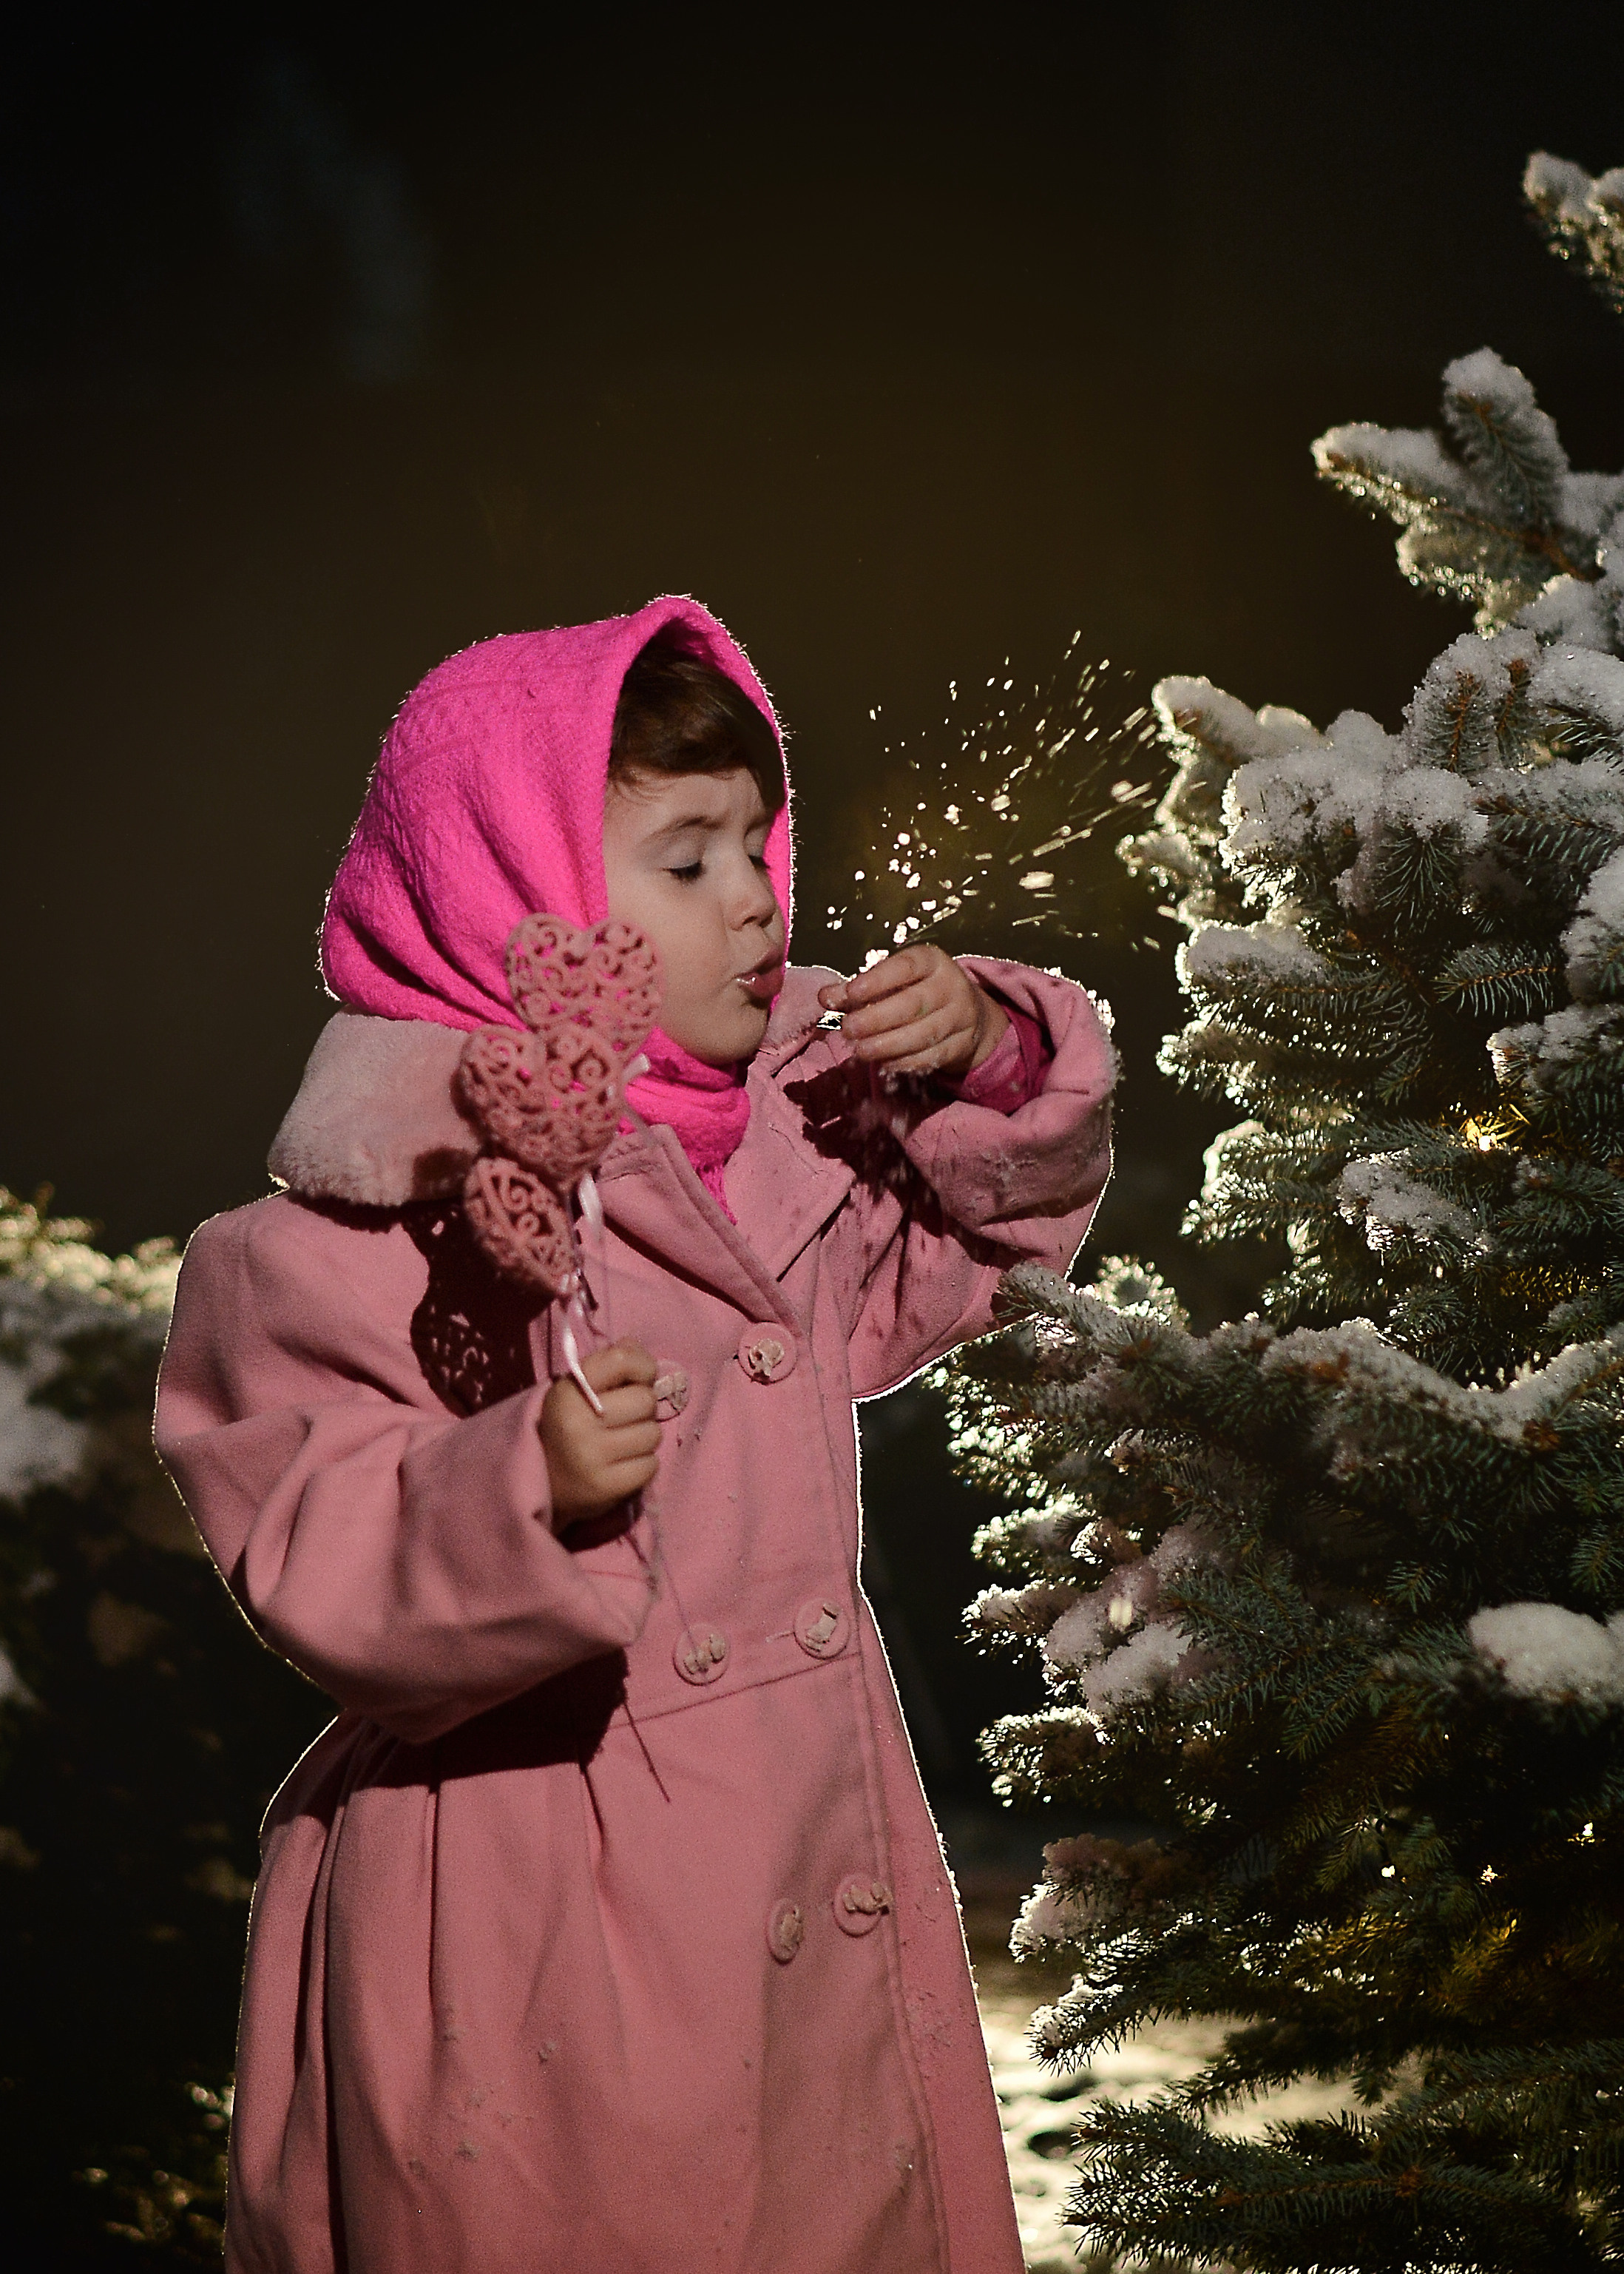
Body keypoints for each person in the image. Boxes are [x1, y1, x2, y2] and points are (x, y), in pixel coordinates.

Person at [155, 594, 1116, 2273]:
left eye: (759, 841)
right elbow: (310, 1535)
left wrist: (988, 1056)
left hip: (803, 1885)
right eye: (686, 861)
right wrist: (516, 1487)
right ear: (506, 895)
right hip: (542, 1928)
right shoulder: (358, 1230)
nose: (756, 897)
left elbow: (968, 1256)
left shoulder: (798, 1138)